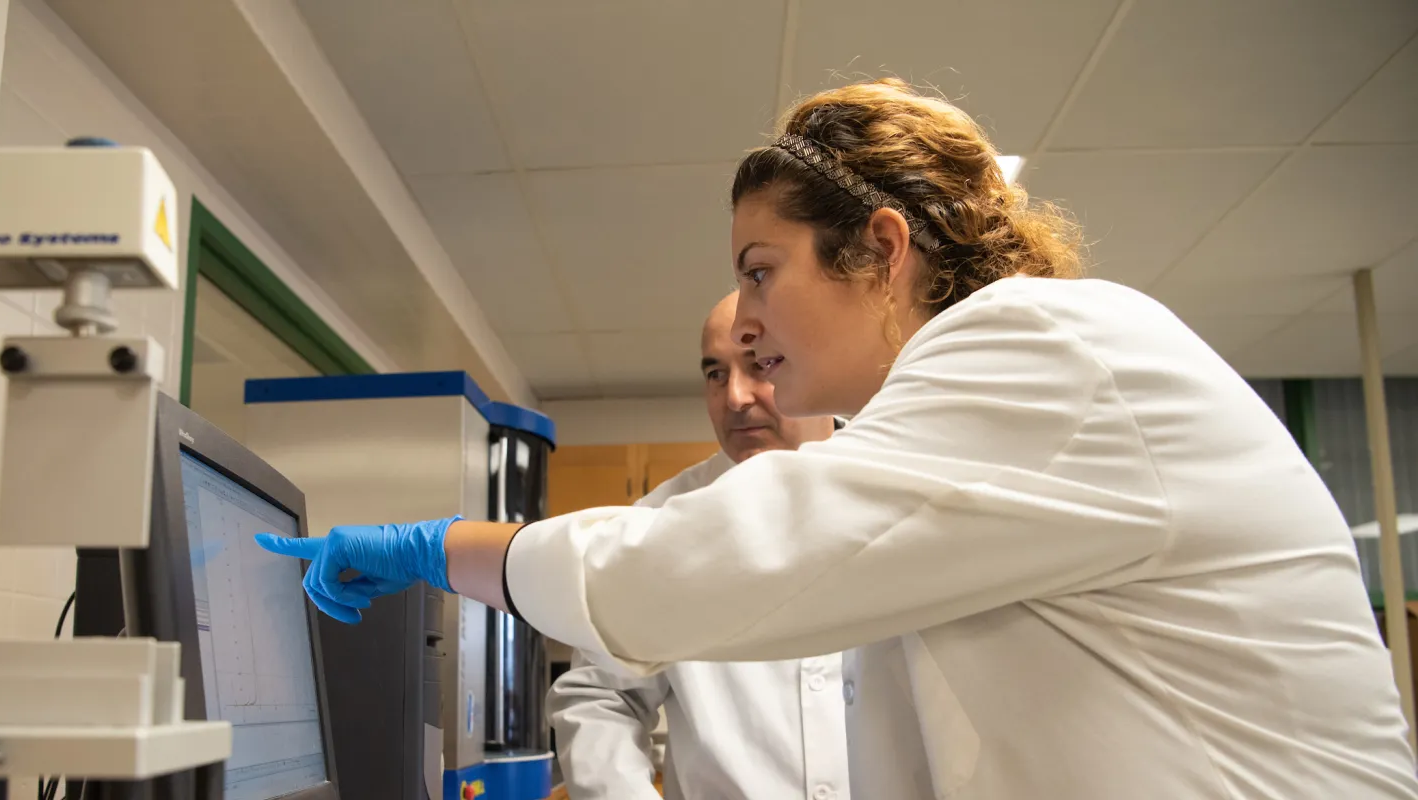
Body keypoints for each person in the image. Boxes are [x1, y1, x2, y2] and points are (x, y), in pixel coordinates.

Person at [257, 78, 1418, 798]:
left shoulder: (1039, 343)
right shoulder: (973, 407)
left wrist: (433, 545)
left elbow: (705, 564)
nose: (747, 323)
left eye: (761, 270)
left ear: (881, 248)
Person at [549, 291, 844, 800]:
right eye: (715, 374)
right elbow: (599, 695)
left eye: (760, 364)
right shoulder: (660, 520)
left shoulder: (902, 477)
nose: (735, 397)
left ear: (820, 360)